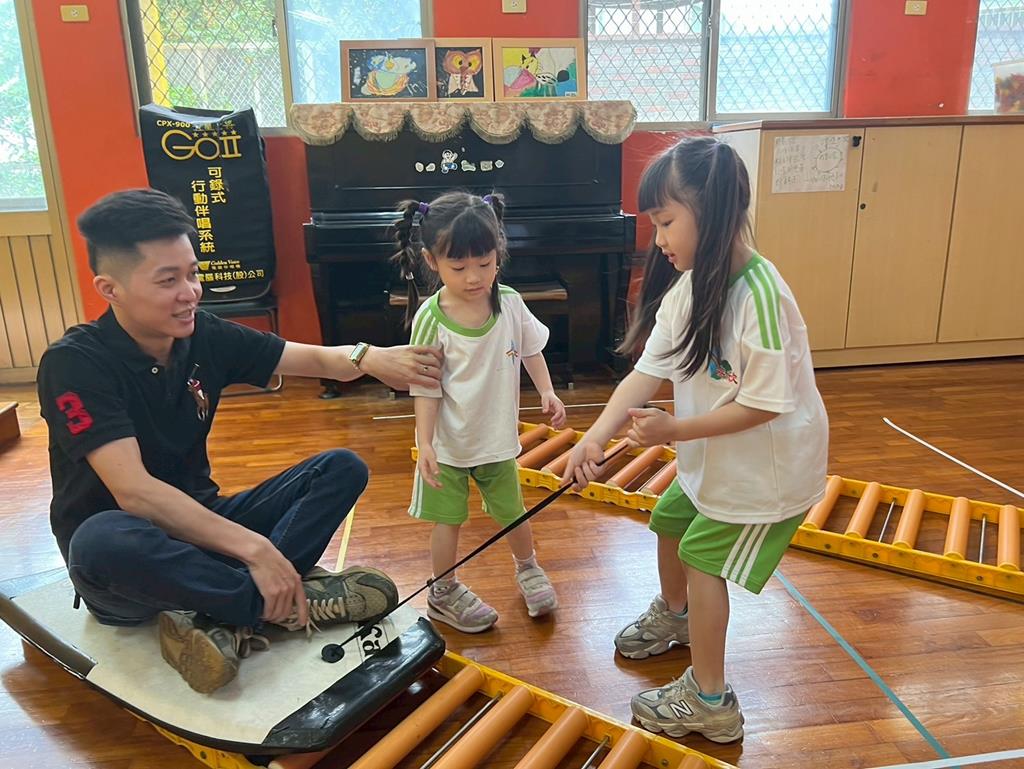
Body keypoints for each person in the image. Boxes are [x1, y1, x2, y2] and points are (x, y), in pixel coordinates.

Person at [37, 188, 445, 694]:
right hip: (126, 564)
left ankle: (228, 611)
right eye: (168, 280)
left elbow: (315, 359)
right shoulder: (75, 363)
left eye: (192, 273)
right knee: (101, 537)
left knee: (341, 467)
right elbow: (135, 493)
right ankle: (274, 600)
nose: (190, 292)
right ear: (110, 289)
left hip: (202, 531)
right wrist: (257, 550)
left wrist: (372, 357)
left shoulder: (201, 335)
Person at [563, 137, 829, 742]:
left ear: (713, 214)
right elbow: (644, 374)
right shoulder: (689, 288)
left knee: (702, 558)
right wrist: (593, 438)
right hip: (718, 457)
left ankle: (711, 701)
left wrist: (674, 430)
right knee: (670, 520)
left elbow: (763, 404)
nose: (657, 238)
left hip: (767, 472)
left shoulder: (761, 296)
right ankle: (678, 617)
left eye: (666, 221)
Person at [391, 191, 568, 634]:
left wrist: (547, 391)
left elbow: (531, 349)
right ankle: (443, 590)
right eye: (458, 267)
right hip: (448, 446)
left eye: (485, 263)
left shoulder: (509, 302)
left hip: (496, 439)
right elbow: (426, 386)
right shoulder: (431, 318)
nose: (474, 277)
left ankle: (528, 568)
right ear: (432, 261)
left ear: (498, 252)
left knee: (513, 511)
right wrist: (424, 443)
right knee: (447, 521)